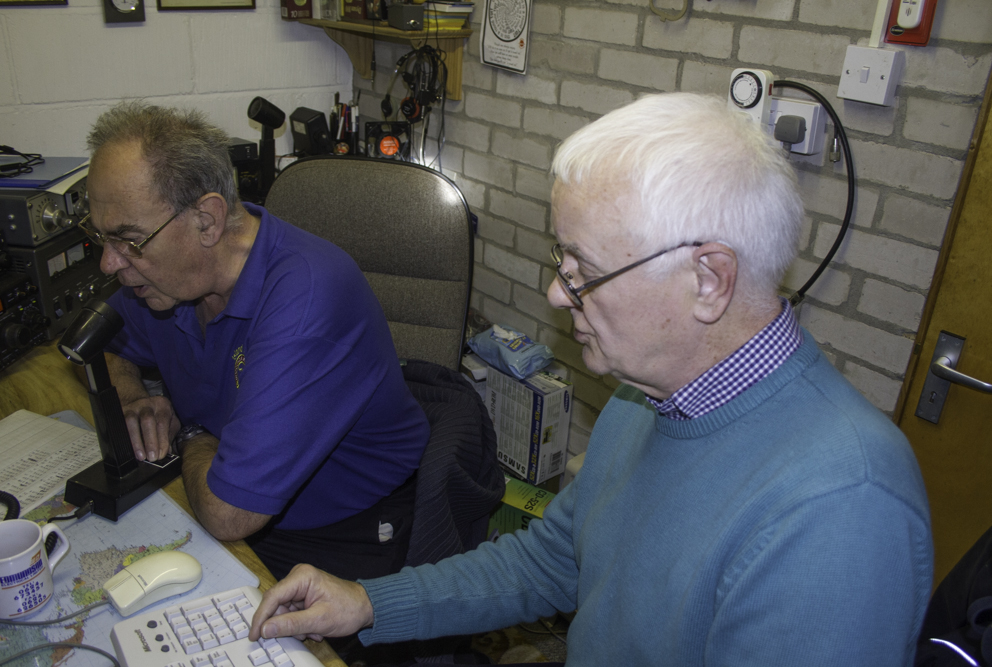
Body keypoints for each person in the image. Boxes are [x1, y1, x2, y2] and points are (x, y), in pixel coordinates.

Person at [247, 93, 934, 665]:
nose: (553, 292)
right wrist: (369, 601)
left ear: (707, 280)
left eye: (583, 271)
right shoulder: (648, 395)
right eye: (561, 260)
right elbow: (555, 560)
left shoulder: (841, 509)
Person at [82, 101, 430, 581]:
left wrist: (190, 434)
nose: (109, 263)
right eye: (100, 238)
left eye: (129, 240)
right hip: (230, 498)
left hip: (343, 538)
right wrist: (134, 395)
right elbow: (97, 343)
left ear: (207, 220)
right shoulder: (164, 283)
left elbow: (230, 513)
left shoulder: (307, 297)